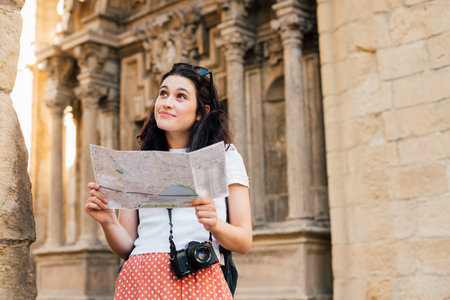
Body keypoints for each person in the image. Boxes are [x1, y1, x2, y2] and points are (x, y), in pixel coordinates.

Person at [86, 63, 252, 299]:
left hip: (199, 278)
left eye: (180, 96)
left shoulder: (225, 156)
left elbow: (244, 241)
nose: (166, 102)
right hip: (139, 279)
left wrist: (215, 224)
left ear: (201, 112)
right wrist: (108, 221)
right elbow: (126, 246)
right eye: (163, 93)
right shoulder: (139, 163)